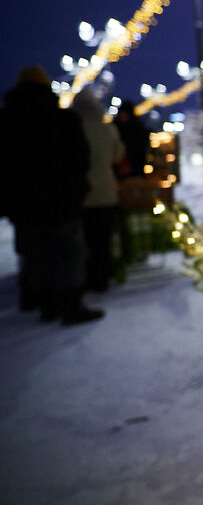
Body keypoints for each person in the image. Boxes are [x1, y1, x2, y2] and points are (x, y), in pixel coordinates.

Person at [0, 67, 104, 324]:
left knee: (36, 256)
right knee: (71, 253)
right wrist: (77, 187)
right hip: (63, 200)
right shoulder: (64, 119)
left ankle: (46, 304)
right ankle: (72, 304)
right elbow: (81, 159)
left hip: (24, 204)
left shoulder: (6, 121)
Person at [73, 88, 126, 292]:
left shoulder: (74, 129)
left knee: (83, 241)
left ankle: (85, 278)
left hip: (82, 195)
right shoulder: (107, 129)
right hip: (106, 191)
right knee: (102, 241)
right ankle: (102, 278)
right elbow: (118, 154)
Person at [113, 99, 149, 178]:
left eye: (124, 113)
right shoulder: (115, 128)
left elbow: (140, 151)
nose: (122, 116)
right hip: (118, 169)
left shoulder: (137, 129)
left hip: (133, 169)